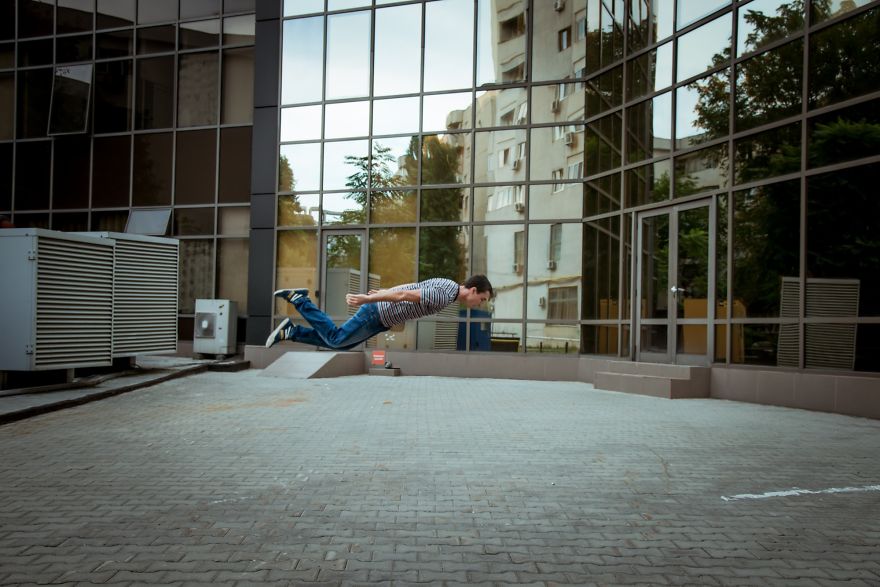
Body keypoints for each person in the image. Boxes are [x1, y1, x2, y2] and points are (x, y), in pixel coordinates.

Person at [266, 275, 494, 350]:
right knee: (336, 339)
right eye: (481, 299)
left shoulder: (448, 285)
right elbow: (407, 296)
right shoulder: (445, 295)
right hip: (377, 313)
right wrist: (370, 298)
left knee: (342, 344)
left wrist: (384, 291)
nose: (478, 304)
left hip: (380, 317)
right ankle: (300, 301)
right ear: (473, 290)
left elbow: (409, 288)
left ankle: (291, 332)